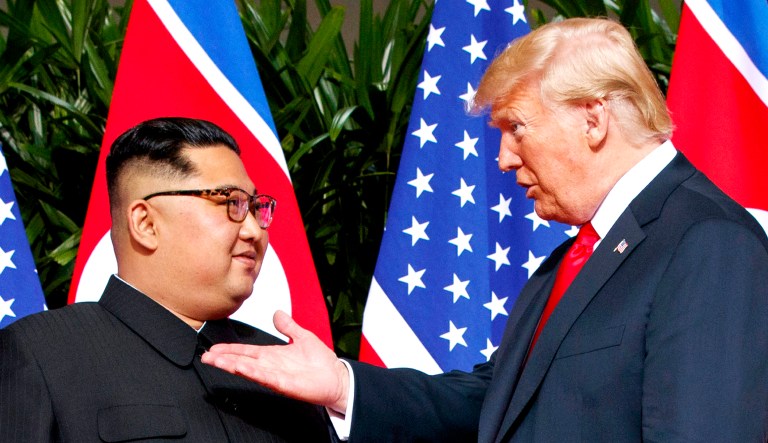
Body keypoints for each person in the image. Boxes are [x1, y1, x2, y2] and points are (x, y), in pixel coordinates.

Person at [201, 17, 768, 442]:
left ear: (593, 118)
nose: (502, 158)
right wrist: (344, 384)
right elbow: (495, 400)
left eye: (517, 128)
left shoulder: (707, 242)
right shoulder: (573, 259)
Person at [0, 117, 335, 442]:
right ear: (146, 224)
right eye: (231, 203)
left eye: (254, 207)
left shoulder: (285, 368)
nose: (253, 231)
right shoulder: (41, 354)